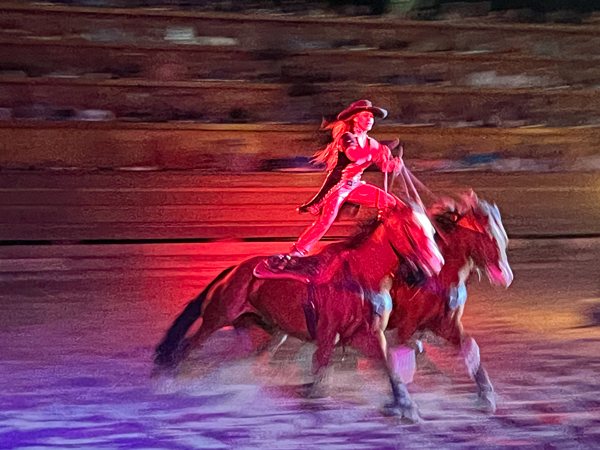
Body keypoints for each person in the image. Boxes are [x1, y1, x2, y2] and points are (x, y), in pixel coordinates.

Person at [270, 100, 404, 270]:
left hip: (355, 185)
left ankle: (385, 240)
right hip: (339, 186)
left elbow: (384, 167)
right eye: (365, 115)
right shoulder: (346, 138)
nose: (370, 119)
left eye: (371, 116)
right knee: (326, 220)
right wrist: (380, 151)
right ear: (355, 119)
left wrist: (394, 165)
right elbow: (355, 155)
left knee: (391, 202)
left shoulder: (372, 143)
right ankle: (298, 250)